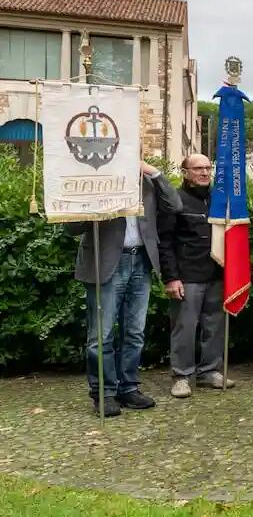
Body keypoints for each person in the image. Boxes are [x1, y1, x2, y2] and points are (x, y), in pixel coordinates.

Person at [67, 161, 181, 416]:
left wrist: (154, 172)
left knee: (134, 332)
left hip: (141, 260)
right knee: (101, 335)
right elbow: (70, 228)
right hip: (107, 261)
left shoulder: (148, 183)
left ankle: (128, 388)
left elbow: (175, 205)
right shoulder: (95, 180)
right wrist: (94, 205)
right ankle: (103, 393)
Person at [159, 154, 234, 397]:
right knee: (185, 327)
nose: (204, 172)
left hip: (218, 273)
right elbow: (165, 242)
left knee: (215, 325)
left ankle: (209, 371)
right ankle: (181, 376)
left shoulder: (220, 200)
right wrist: (171, 277)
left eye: (207, 168)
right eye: (198, 168)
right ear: (185, 172)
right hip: (187, 275)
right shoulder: (176, 201)